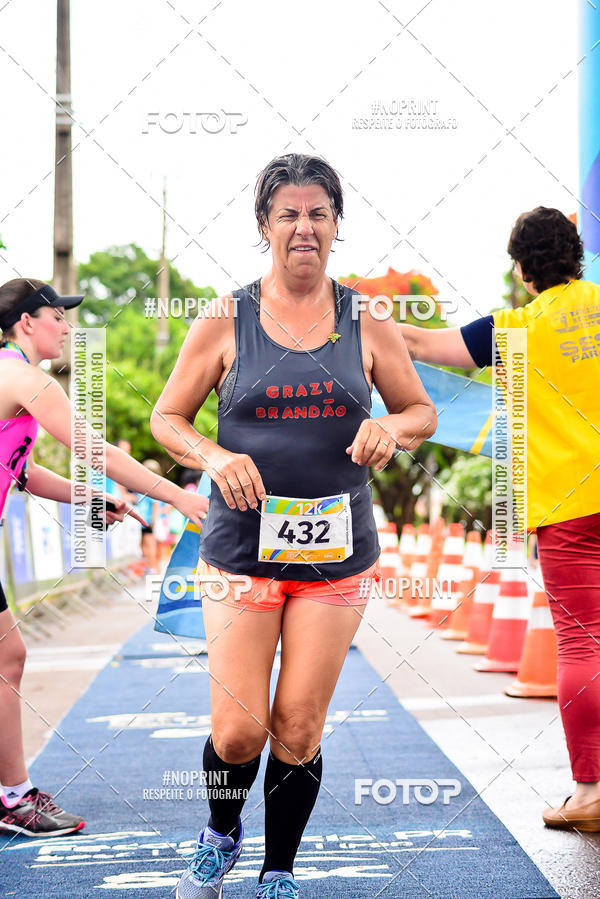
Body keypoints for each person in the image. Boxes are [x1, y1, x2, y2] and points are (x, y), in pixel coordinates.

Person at [151, 153, 436, 898]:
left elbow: (421, 409)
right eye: (289, 214)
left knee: (300, 725)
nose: (304, 227)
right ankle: (219, 835)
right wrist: (214, 456)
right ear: (264, 225)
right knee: (240, 730)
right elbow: (167, 419)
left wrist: (392, 427)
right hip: (240, 553)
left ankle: (278, 870)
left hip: (336, 556)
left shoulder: (367, 319)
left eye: (319, 214)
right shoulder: (225, 317)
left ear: (337, 225)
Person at [400, 207, 600, 832]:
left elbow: (424, 345)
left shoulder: (512, 330)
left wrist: (354, 318)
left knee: (583, 643)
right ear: (576, 255)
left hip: (569, 507)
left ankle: (591, 793)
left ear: (521, 270)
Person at [0, 278, 208, 838]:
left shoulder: (11, 375)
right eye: (57, 316)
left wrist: (90, 497)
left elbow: (23, 472)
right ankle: (14, 798)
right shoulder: (26, 378)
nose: (67, 327)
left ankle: (12, 794)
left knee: (7, 657)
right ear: (27, 322)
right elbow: (97, 450)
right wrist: (177, 496)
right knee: (7, 658)